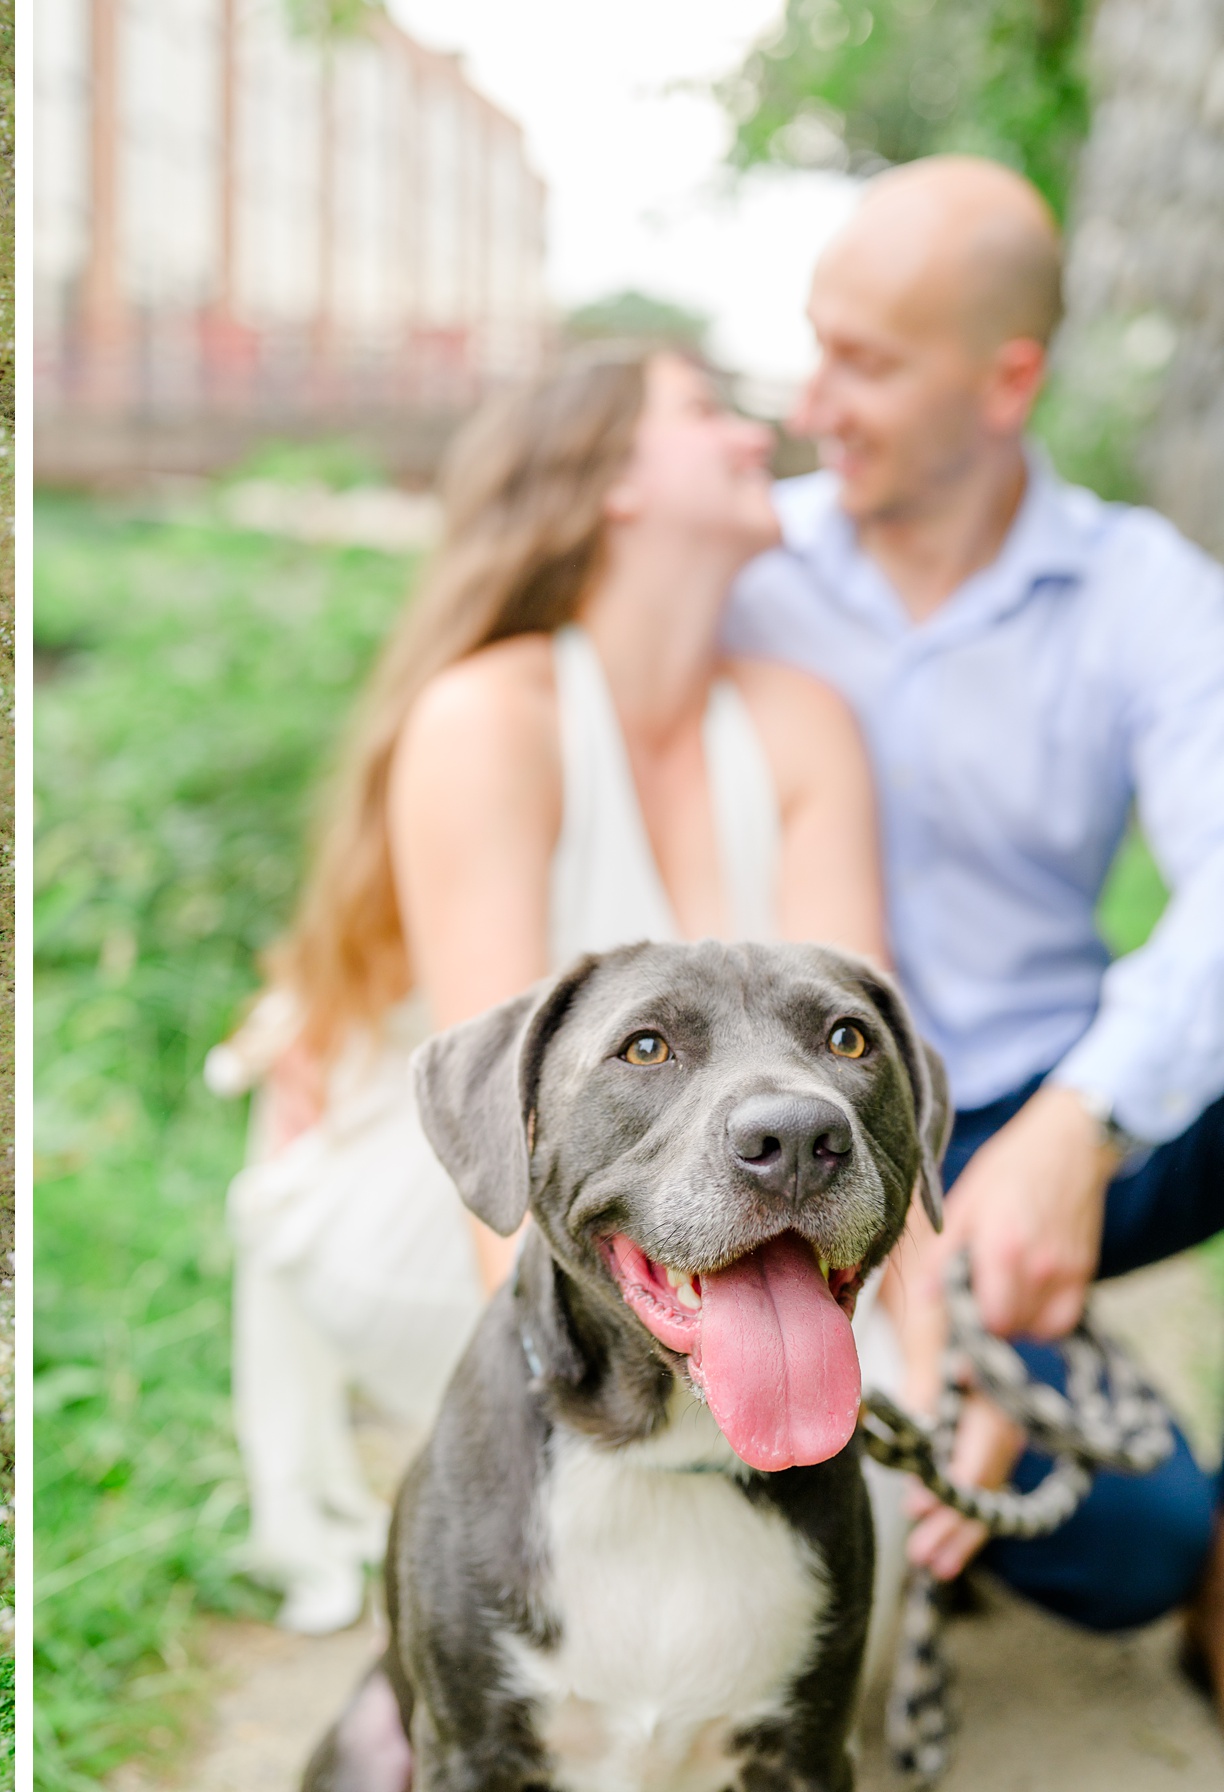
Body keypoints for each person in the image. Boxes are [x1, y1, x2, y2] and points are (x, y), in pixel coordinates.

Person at [210, 342, 887, 1633]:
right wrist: (529, 1462)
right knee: (615, 1550)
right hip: (472, 1197)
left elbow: (856, 1071)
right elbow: (512, 1131)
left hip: (761, 1181)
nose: (758, 434)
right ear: (607, 479)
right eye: (706, 411)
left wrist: (915, 1337)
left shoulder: (803, 722)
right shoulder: (490, 717)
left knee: (878, 1516)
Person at [728, 154, 1224, 1684]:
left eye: (864, 361)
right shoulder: (749, 572)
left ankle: (1025, 1311)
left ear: (1006, 381)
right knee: (1138, 1542)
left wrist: (1080, 1121)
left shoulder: (1142, 591)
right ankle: (1002, 1352)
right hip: (803, 1141)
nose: (815, 400)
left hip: (1048, 1109)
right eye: (815, 342)